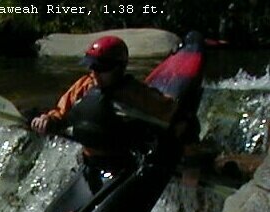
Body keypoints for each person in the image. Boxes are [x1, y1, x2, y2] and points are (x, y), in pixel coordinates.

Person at [30, 35, 182, 174]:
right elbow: (60, 110)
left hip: (123, 164)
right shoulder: (85, 85)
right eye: (92, 67)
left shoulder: (134, 93)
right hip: (90, 161)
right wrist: (48, 119)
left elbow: (172, 112)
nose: (95, 73)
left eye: (101, 68)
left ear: (118, 68)